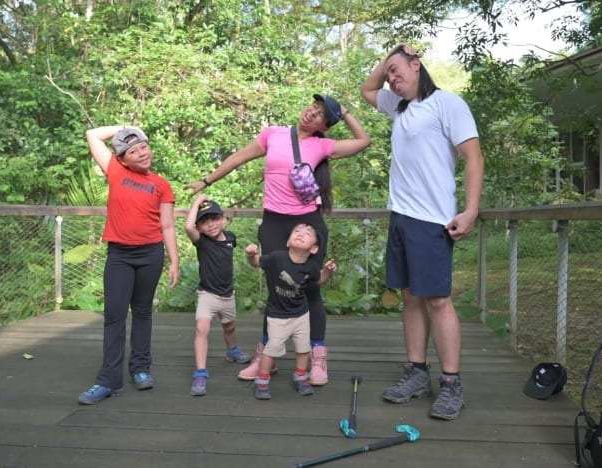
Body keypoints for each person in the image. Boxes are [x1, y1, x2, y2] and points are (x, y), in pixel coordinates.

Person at [185, 93, 370, 386]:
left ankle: (317, 358)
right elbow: (237, 158)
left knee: (310, 288)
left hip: (307, 223)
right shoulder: (273, 134)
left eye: (321, 114)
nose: (312, 112)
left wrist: (343, 111)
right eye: (313, 106)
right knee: (276, 291)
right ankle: (265, 360)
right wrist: (206, 181)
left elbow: (363, 141)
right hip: (273, 224)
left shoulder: (322, 145)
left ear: (324, 126)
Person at [360, 44, 484, 420]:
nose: (391, 78)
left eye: (397, 70)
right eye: (388, 73)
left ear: (417, 66)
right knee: (410, 297)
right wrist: (390, 56)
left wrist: (470, 210)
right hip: (401, 217)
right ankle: (416, 373)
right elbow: (367, 90)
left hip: (433, 220)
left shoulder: (447, 104)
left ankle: (451, 383)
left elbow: (473, 157)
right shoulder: (398, 106)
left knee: (437, 301)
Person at [78, 125, 180, 405]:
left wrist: (174, 260)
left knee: (143, 312)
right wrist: (125, 128)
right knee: (114, 315)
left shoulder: (161, 184)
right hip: (120, 255)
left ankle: (141, 369)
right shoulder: (115, 170)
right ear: (122, 159)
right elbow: (92, 135)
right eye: (134, 151)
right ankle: (108, 381)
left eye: (144, 146)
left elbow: (168, 225)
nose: (142, 153)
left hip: (151, 254)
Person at [244, 223, 337, 399]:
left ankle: (300, 376)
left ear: (314, 249)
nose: (301, 233)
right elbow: (256, 263)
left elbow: (319, 279)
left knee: (303, 349)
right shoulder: (276, 258)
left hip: (301, 314)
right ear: (288, 241)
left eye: (307, 233)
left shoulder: (310, 266)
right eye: (297, 231)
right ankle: (262, 379)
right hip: (277, 316)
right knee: (272, 349)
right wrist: (250, 255)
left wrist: (327, 271)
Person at [183, 195, 251, 396]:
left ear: (223, 219)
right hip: (208, 294)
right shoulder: (202, 242)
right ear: (199, 227)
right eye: (204, 222)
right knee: (201, 328)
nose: (210, 225)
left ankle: (232, 350)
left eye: (214, 219)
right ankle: (200, 373)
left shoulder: (231, 238)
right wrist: (197, 202)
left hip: (227, 295)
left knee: (229, 327)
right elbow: (188, 228)